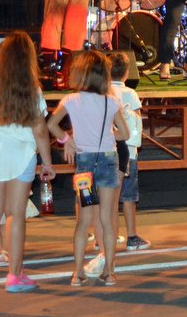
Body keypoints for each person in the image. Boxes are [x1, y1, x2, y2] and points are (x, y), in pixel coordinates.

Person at [0, 32, 56, 293]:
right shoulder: (32, 88)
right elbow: (40, 129)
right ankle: (14, 275)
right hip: (21, 154)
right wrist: (47, 163)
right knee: (15, 215)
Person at [48, 51, 130, 287]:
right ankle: (110, 272)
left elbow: (51, 124)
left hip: (84, 163)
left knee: (84, 220)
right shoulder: (111, 101)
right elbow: (125, 134)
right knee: (107, 218)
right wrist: (107, 135)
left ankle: (77, 273)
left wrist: (67, 139)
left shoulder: (71, 100)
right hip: (108, 159)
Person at [110, 52, 149, 251]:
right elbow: (137, 122)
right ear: (127, 72)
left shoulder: (103, 92)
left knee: (108, 198)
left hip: (108, 151)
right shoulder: (131, 94)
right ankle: (132, 236)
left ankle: (106, 236)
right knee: (128, 197)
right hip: (129, 152)